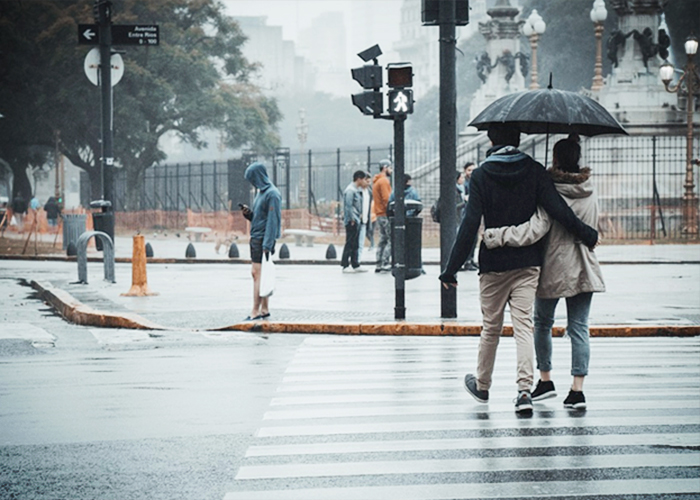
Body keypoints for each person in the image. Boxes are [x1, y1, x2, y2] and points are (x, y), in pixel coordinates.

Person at [438, 123, 599, 414]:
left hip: (493, 264)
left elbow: (469, 224)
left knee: (491, 328)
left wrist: (450, 269)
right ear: (519, 138)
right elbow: (557, 210)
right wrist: (586, 233)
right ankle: (524, 391)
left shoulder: (482, 175)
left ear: (491, 139)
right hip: (528, 263)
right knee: (524, 326)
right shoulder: (535, 170)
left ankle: (483, 385)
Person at [482, 135, 605, 410]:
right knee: (579, 328)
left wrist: (498, 236)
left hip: (554, 264)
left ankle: (546, 380)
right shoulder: (590, 188)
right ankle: (577, 390)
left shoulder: (550, 190)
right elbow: (593, 224)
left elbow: (537, 228)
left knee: (541, 324)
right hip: (585, 265)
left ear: (556, 159)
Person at [240, 162, 282, 321]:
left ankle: (255, 311)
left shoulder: (272, 194)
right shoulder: (261, 193)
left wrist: (267, 245)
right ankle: (264, 309)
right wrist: (249, 215)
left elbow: (273, 221)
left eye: (253, 178)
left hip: (263, 239)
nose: (252, 182)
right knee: (261, 275)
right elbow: (260, 217)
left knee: (256, 274)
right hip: (257, 237)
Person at [342, 170, 369, 273]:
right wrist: (352, 219)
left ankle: (355, 264)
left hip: (357, 220)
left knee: (356, 243)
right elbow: (348, 206)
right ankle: (345, 264)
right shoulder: (350, 190)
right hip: (352, 221)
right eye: (363, 179)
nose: (364, 182)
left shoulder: (356, 190)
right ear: (358, 179)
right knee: (350, 242)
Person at [372, 159, 393, 273]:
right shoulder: (384, 181)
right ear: (385, 167)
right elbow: (387, 199)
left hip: (379, 213)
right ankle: (385, 262)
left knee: (382, 239)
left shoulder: (376, 181)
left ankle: (379, 263)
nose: (391, 170)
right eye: (390, 168)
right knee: (391, 239)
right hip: (385, 214)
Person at [463, 162, 479, 271]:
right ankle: (467, 261)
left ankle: (471, 259)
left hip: (474, 212)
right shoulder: (464, 183)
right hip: (466, 213)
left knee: (475, 238)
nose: (471, 172)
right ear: (465, 171)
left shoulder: (475, 181)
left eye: (473, 170)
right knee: (468, 238)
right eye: (469, 170)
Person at [357, 171, 373, 264]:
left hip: (365, 220)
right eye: (367, 181)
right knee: (355, 243)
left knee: (361, 243)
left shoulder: (369, 192)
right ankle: (353, 261)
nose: (368, 183)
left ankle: (358, 260)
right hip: (357, 219)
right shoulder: (357, 191)